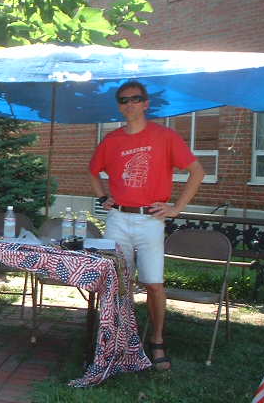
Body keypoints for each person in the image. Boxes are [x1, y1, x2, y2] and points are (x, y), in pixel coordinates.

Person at [88, 80, 204, 371]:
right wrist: (103, 197)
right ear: (119, 105)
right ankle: (117, 341)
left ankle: (157, 339)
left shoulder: (165, 136)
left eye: (135, 99)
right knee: (118, 283)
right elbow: (92, 171)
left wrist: (176, 208)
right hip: (118, 219)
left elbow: (197, 171)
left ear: (146, 103)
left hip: (151, 219)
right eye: (124, 100)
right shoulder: (112, 140)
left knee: (153, 283)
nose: (130, 104)